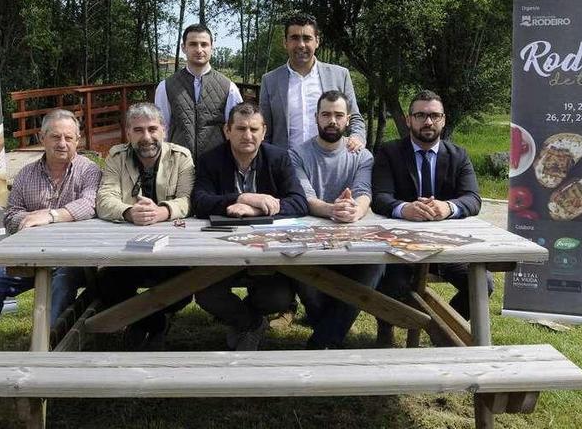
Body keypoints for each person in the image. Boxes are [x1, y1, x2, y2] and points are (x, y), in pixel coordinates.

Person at [0, 109, 100, 369]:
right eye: (55, 137)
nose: (62, 143)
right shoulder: (26, 174)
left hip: (74, 257)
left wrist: (49, 215)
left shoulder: (89, 171)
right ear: (42, 138)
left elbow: (91, 204)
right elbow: (11, 215)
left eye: (69, 138)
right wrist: (25, 222)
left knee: (62, 279)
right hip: (30, 255)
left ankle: (47, 350)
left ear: (78, 140)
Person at [371, 90, 488, 346]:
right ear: (408, 119)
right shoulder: (390, 152)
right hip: (400, 247)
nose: (428, 122)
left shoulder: (459, 155)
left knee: (482, 284)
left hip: (446, 248)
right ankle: (386, 329)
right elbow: (380, 197)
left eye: (434, 115)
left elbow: (472, 198)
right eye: (421, 115)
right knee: (389, 283)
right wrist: (404, 208)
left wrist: (447, 207)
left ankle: (441, 332)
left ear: (443, 120)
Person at [192, 102, 308, 350]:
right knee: (205, 294)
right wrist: (241, 198)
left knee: (279, 297)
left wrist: (257, 208)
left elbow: (299, 202)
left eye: (254, 129)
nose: (248, 135)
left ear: (264, 131)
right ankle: (250, 323)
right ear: (227, 130)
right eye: (241, 128)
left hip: (268, 253)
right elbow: (200, 202)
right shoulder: (210, 160)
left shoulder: (278, 158)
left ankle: (243, 321)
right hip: (220, 252)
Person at [96, 102, 195, 350]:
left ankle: (143, 322)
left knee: (186, 284)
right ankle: (153, 321)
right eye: (138, 130)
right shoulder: (115, 157)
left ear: (164, 129)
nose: (146, 137)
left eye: (152, 129)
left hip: (173, 248)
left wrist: (162, 211)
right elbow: (104, 199)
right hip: (126, 249)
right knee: (105, 284)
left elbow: (189, 199)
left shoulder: (181, 157)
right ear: (128, 133)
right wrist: (129, 212)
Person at [289, 90, 384, 349]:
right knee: (295, 265)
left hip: (353, 236)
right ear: (316, 117)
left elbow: (364, 193)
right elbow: (305, 197)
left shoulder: (362, 155)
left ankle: (321, 340)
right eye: (326, 114)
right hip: (310, 238)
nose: (332, 120)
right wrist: (333, 209)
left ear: (347, 119)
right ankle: (329, 331)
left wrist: (355, 210)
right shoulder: (297, 154)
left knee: (376, 265)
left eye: (338, 115)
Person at [259, 12, 366, 152]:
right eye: (294, 38)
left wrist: (357, 137)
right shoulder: (270, 81)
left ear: (317, 41)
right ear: (285, 42)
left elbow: (354, 118)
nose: (301, 44)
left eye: (307, 38)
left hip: (330, 163)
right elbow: (264, 130)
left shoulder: (340, 75)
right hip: (286, 166)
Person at [155, 23, 243, 160]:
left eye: (204, 44)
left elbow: (236, 128)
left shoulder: (228, 87)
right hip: (178, 163)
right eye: (193, 44)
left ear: (212, 48)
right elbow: (161, 128)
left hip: (217, 163)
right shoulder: (166, 86)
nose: (199, 49)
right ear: (183, 48)